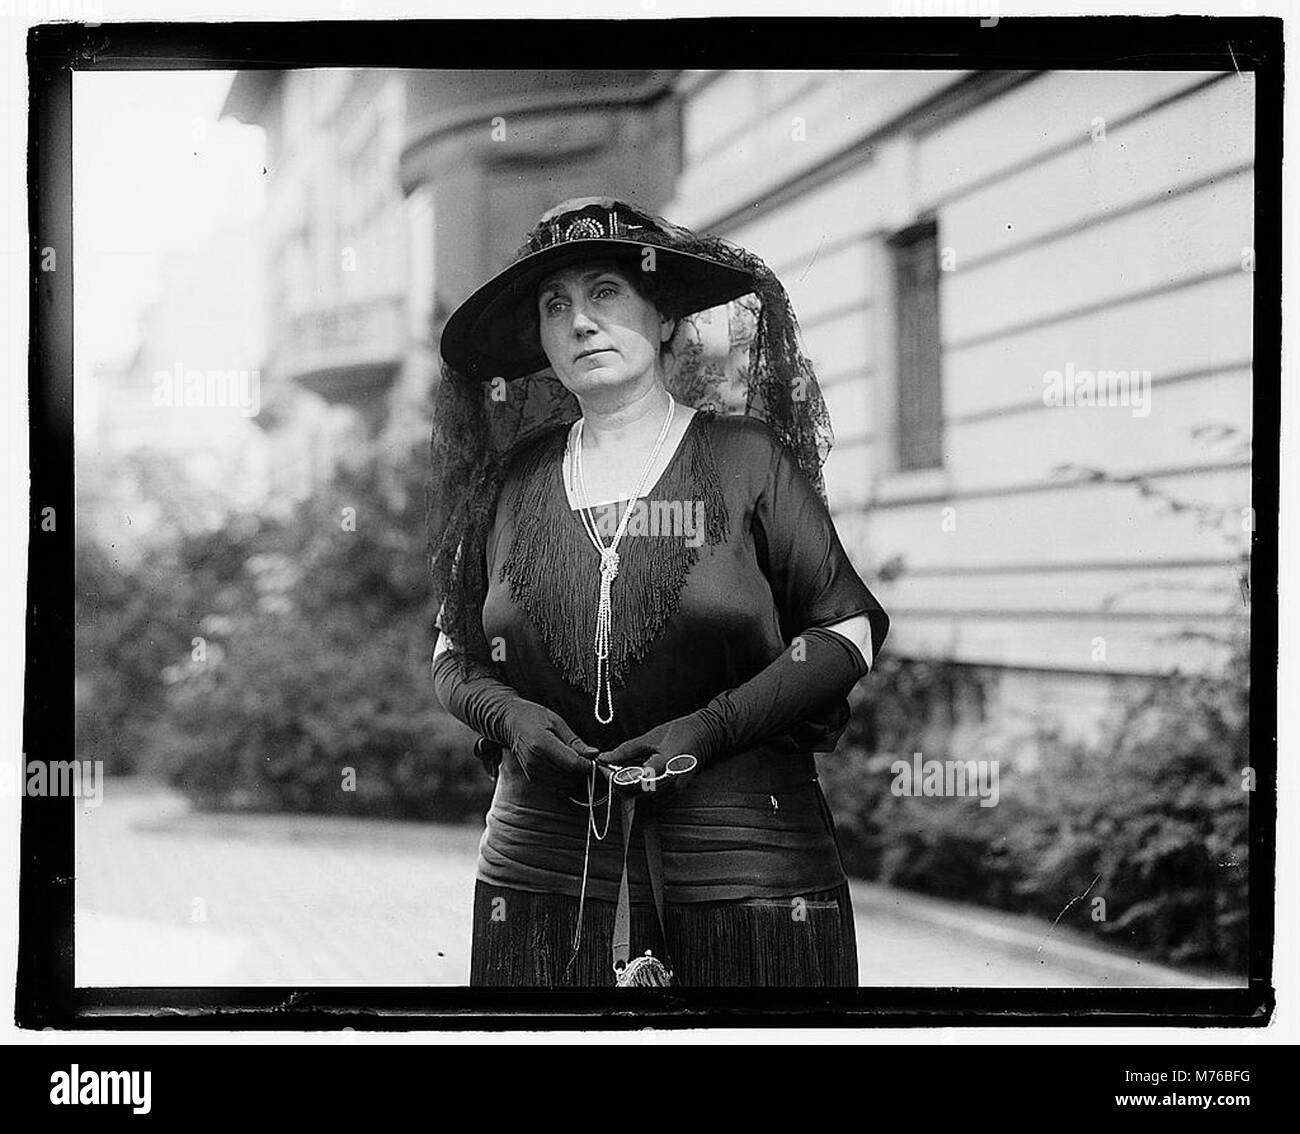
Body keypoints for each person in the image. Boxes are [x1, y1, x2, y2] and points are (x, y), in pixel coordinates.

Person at [428, 195, 889, 987]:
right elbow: (454, 652)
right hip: (540, 873)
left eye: (605, 292)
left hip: (744, 870)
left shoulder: (746, 460)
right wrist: (514, 720)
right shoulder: (513, 481)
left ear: (665, 316)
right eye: (555, 304)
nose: (580, 322)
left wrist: (707, 729)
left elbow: (847, 631)